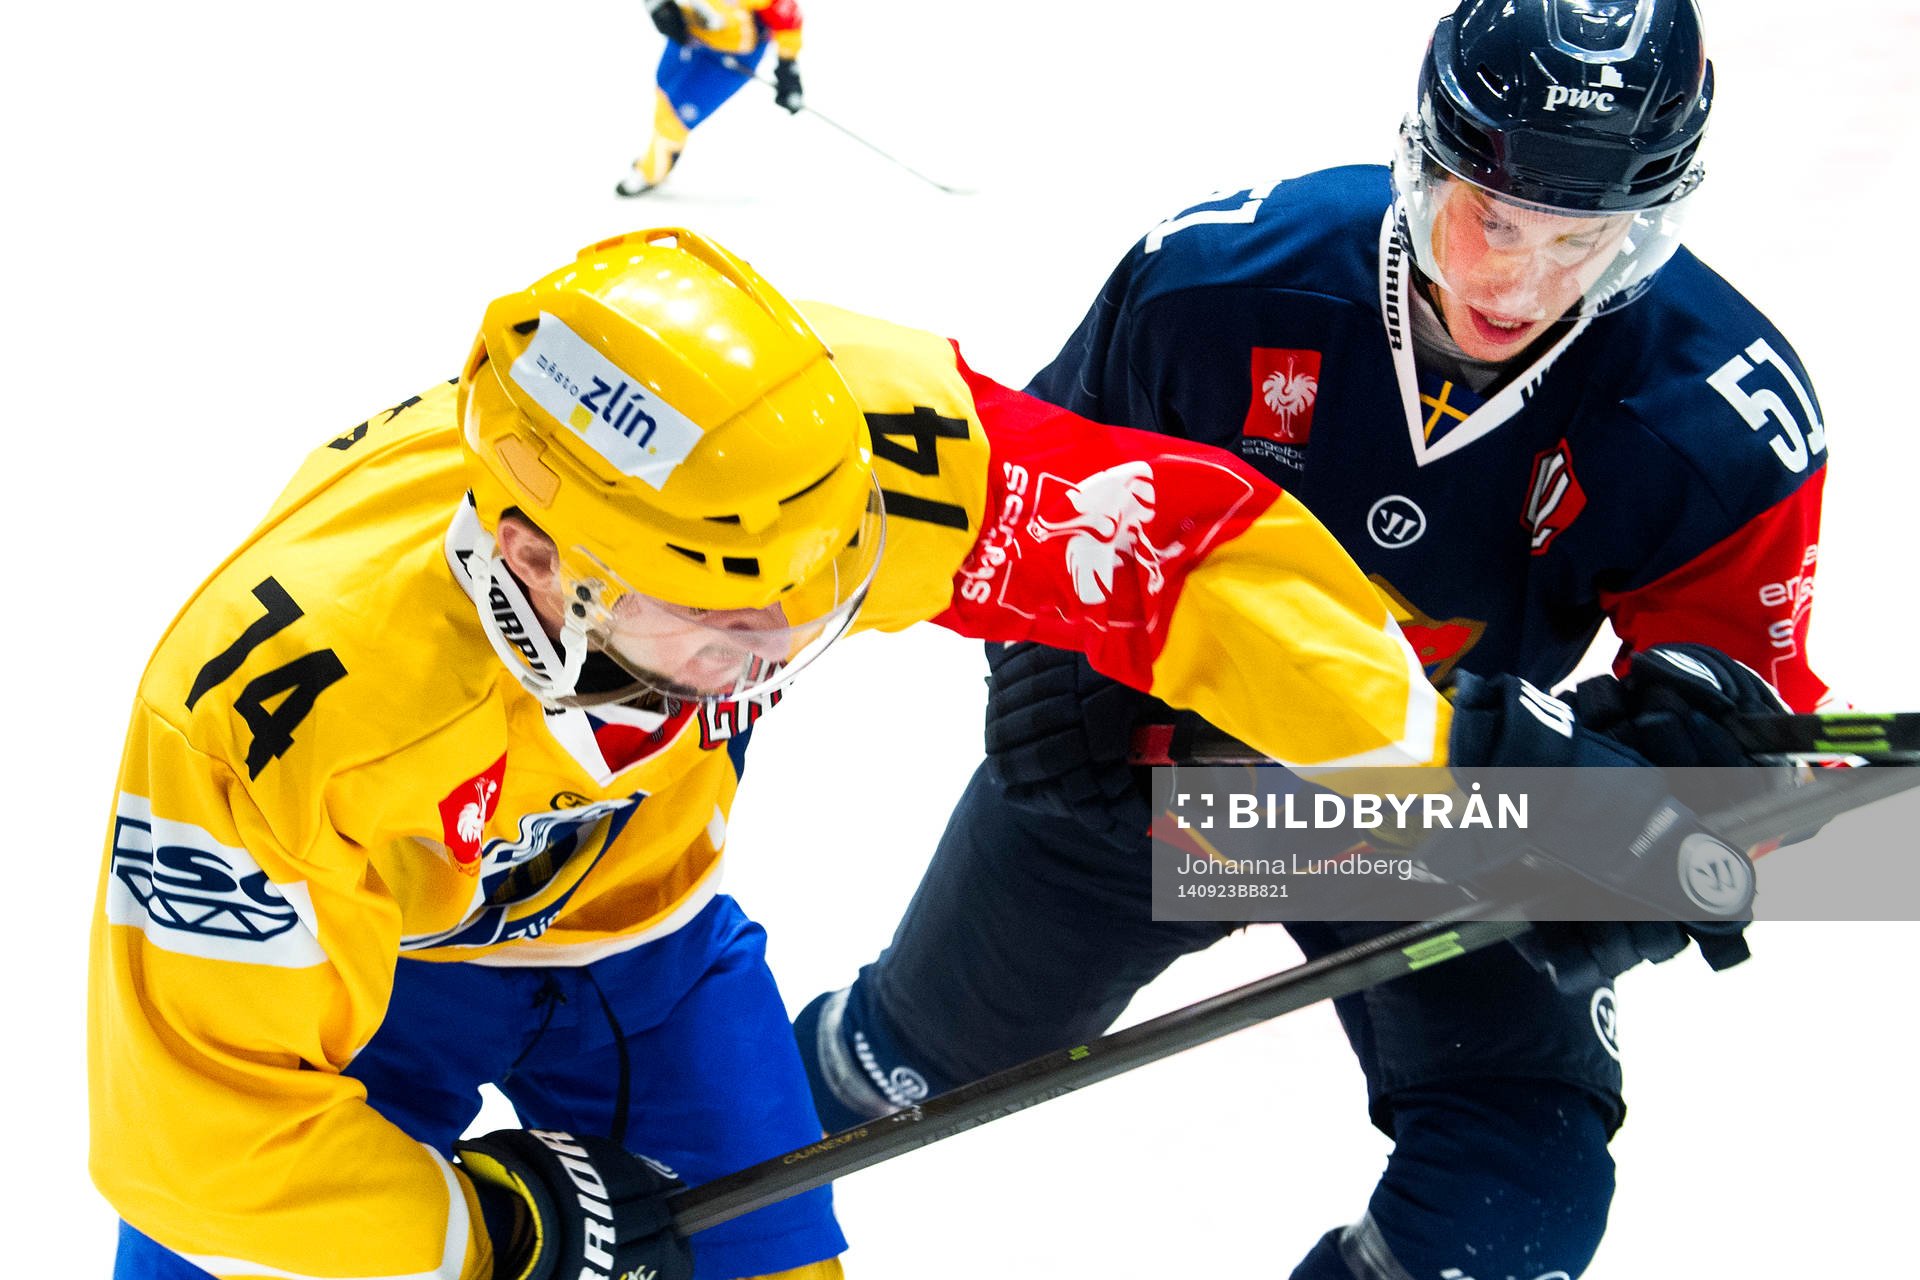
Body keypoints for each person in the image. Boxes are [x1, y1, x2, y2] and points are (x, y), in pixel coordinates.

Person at [94, 222, 1623, 1280]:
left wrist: (1456, 789)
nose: (777, 651)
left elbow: (1188, 558)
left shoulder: (824, 448)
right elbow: (202, 1141)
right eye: (724, 623)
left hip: (647, 944)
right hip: (371, 974)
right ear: (539, 562)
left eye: (814, 604)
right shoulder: (272, 721)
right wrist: (478, 1234)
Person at [794, 1, 1831, 1277]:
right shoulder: (1218, 278)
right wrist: (1047, 665)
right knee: (897, 1064)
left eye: (1583, 240)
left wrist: (1676, 794)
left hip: (1445, 815)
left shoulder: (1724, 416)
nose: (1518, 279)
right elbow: (1014, 492)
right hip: (1156, 775)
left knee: (1519, 1189)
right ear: (1425, 153)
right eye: (1493, 215)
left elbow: (1754, 734)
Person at [619, 0, 807, 196]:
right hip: (690, 33)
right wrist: (658, 6)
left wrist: (788, 66)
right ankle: (665, 153)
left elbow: (785, 15)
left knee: (674, 116)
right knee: (665, 90)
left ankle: (652, 170)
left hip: (732, 54)